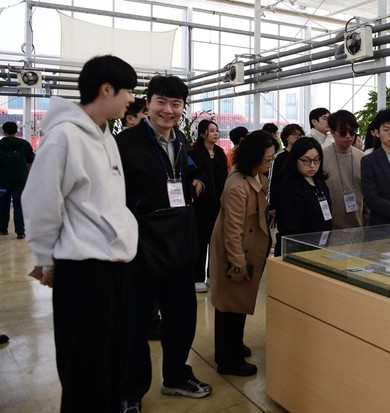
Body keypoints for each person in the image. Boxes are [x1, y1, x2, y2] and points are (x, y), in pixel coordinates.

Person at [21, 54, 138, 413]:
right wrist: (46, 260)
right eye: (128, 91)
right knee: (85, 367)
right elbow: (41, 203)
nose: (132, 98)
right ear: (106, 89)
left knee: (111, 361)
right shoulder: (64, 137)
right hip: (85, 270)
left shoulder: (106, 136)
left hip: (115, 266)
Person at [116, 75, 211, 411]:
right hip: (140, 246)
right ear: (148, 103)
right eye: (161, 102)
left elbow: (184, 178)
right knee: (135, 324)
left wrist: (196, 183)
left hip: (178, 243)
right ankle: (130, 391)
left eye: (176, 104)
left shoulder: (181, 141)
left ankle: (175, 376)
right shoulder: (125, 143)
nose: (168, 110)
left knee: (181, 317)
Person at [209, 131, 277, 376]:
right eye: (267, 159)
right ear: (253, 157)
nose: (270, 163)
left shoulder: (253, 176)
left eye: (272, 158)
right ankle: (228, 360)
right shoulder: (238, 186)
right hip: (235, 254)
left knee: (237, 304)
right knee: (230, 306)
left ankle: (233, 346)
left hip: (245, 251)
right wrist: (237, 262)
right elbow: (233, 230)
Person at [275, 137, 332, 256]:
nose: (312, 165)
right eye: (306, 161)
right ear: (295, 159)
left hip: (320, 245)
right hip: (297, 249)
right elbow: (288, 227)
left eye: (316, 160)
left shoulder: (319, 182)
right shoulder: (289, 186)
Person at [189, 120, 228, 293]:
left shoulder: (220, 152)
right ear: (202, 133)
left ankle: (212, 275)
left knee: (216, 240)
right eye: (211, 131)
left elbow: (225, 175)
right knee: (200, 241)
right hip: (200, 205)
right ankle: (197, 278)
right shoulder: (194, 153)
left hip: (219, 203)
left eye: (216, 130)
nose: (216, 133)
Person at [322, 110, 365, 229]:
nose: (348, 136)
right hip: (330, 227)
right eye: (343, 132)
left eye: (352, 132)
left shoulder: (362, 157)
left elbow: (368, 194)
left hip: (359, 226)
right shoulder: (322, 157)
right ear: (332, 132)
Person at [0, 121, 34, 239]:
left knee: (3, 205)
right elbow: (30, 162)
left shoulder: (0, 144)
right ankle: (20, 231)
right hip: (20, 179)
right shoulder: (24, 144)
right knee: (19, 205)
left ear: (4, 131)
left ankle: (3, 228)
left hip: (3, 180)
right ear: (16, 131)